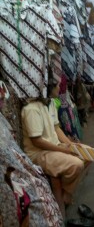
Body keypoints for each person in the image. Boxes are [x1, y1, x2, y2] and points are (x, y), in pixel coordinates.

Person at [21, 80, 86, 219]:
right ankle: (66, 196)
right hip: (39, 153)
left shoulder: (50, 103)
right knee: (77, 164)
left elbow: (56, 128)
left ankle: (65, 193)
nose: (59, 88)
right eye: (56, 85)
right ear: (48, 88)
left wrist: (70, 145)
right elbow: (36, 141)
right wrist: (64, 150)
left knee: (87, 155)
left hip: (53, 147)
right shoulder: (31, 109)